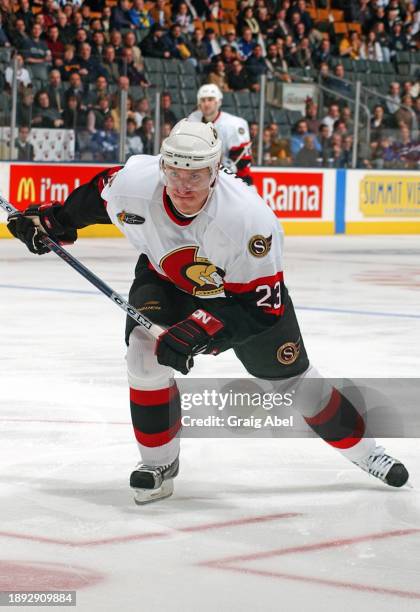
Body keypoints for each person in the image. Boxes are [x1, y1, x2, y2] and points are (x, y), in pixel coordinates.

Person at [7, 119, 409, 504]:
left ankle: (368, 452)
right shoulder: (132, 183)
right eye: (175, 172)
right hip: (165, 279)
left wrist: (205, 329)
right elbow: (94, 199)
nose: (183, 185)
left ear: (216, 170)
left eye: (195, 175)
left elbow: (262, 308)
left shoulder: (249, 222)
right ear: (163, 164)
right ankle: (158, 465)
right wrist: (52, 222)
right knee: (144, 357)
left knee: (296, 384)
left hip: (241, 301)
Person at [188, 84, 253, 184]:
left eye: (210, 99)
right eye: (203, 100)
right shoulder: (193, 120)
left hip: (234, 181)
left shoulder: (234, 124)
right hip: (202, 180)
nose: (206, 103)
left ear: (218, 102)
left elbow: (242, 161)